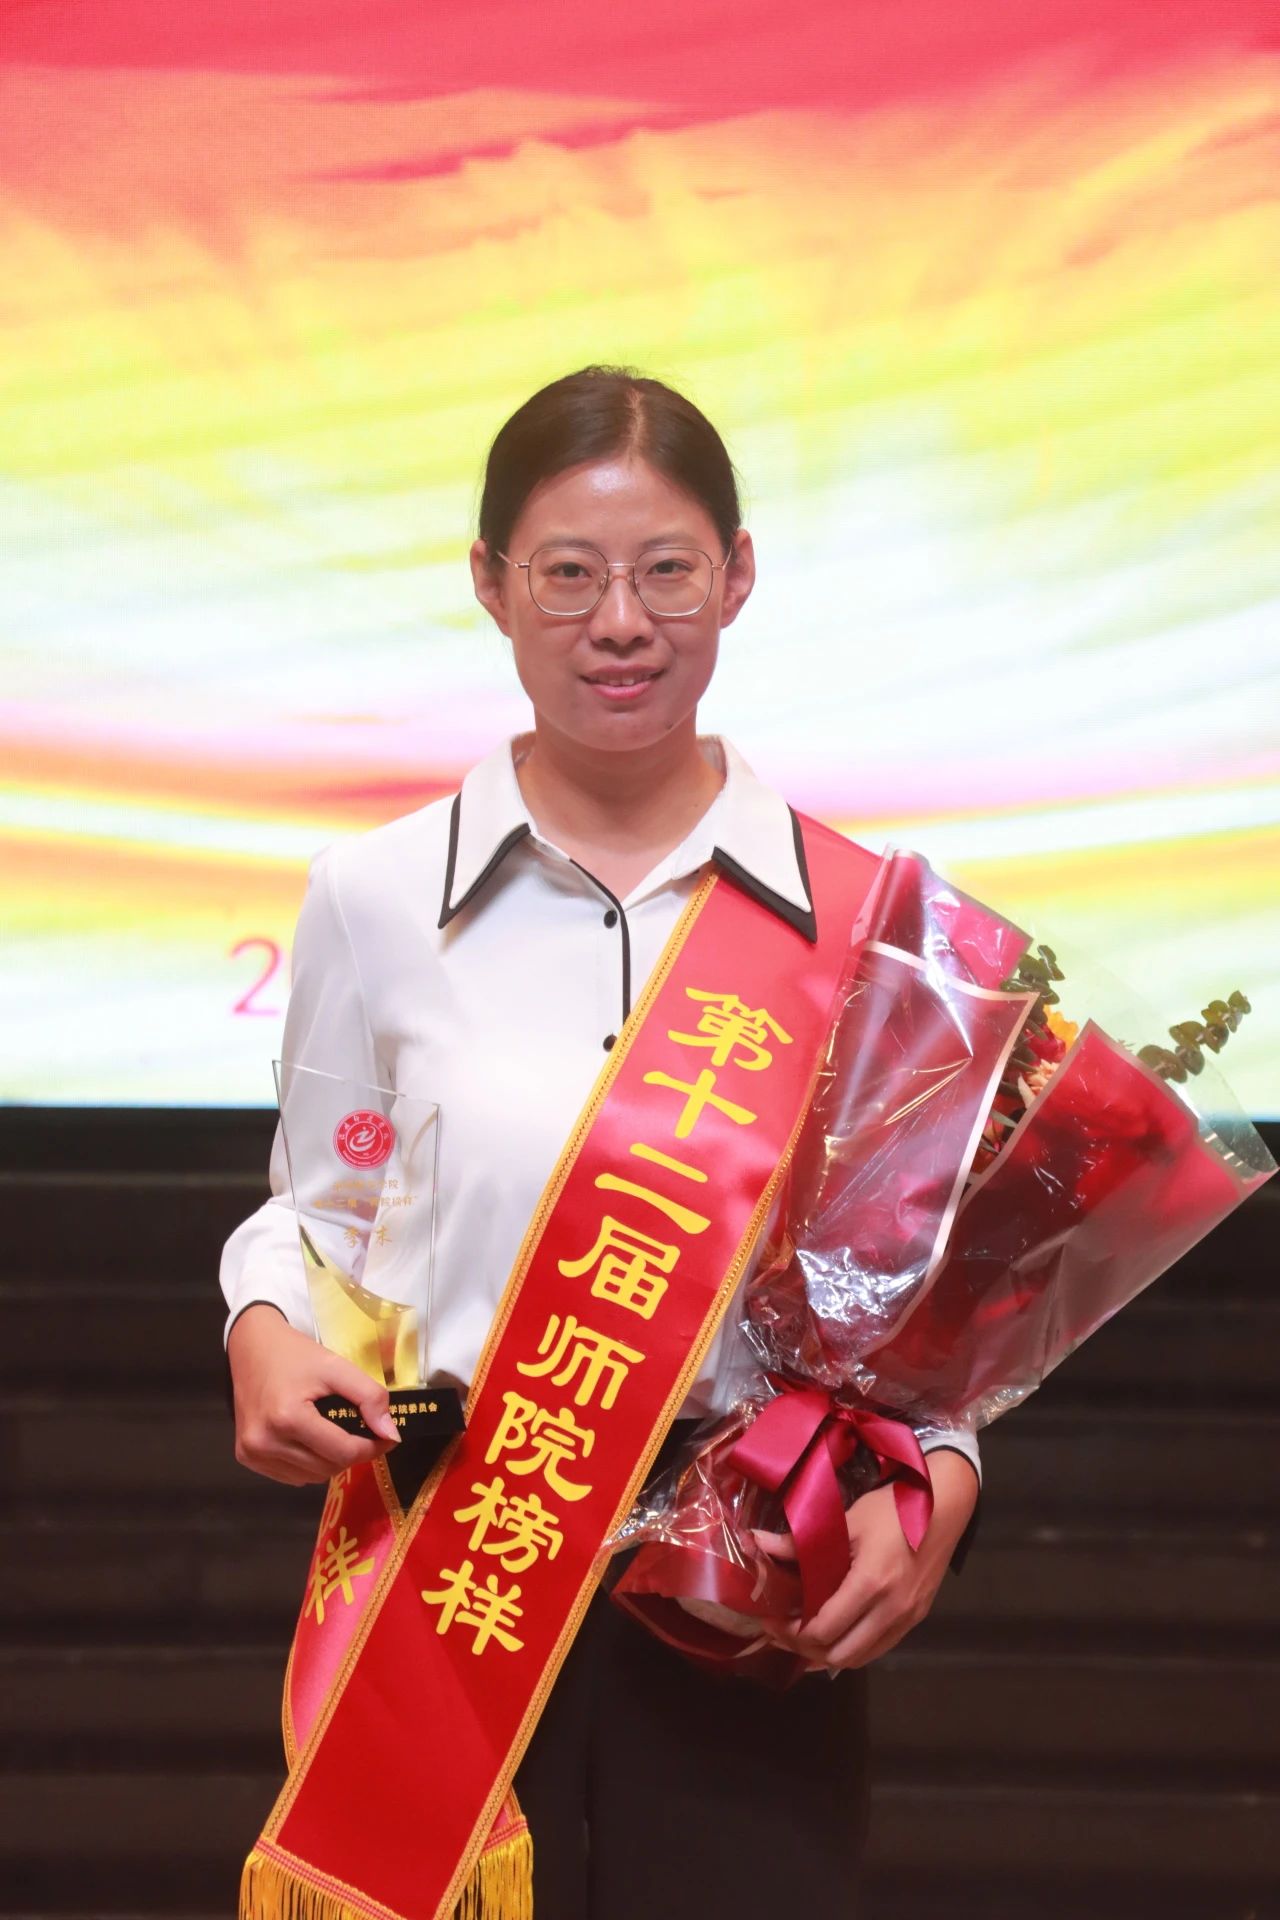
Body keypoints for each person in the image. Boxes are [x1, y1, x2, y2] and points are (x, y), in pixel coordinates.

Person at [221, 365, 981, 1920]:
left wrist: (943, 1473)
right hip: (461, 1556)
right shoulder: (373, 897)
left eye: (665, 572)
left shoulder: (863, 919)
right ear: (491, 583)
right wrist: (263, 1327)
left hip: (744, 1567)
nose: (619, 622)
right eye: (567, 574)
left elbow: (908, 1290)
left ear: (739, 576)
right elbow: (323, 1208)